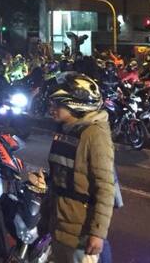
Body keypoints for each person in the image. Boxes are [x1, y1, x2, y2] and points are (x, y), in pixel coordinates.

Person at [48, 73, 115, 263]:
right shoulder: (65, 130)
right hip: (60, 227)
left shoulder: (95, 135)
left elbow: (105, 188)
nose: (52, 109)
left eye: (57, 104)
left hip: (81, 235)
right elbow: (56, 181)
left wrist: (98, 233)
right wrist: (46, 218)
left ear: (75, 105)